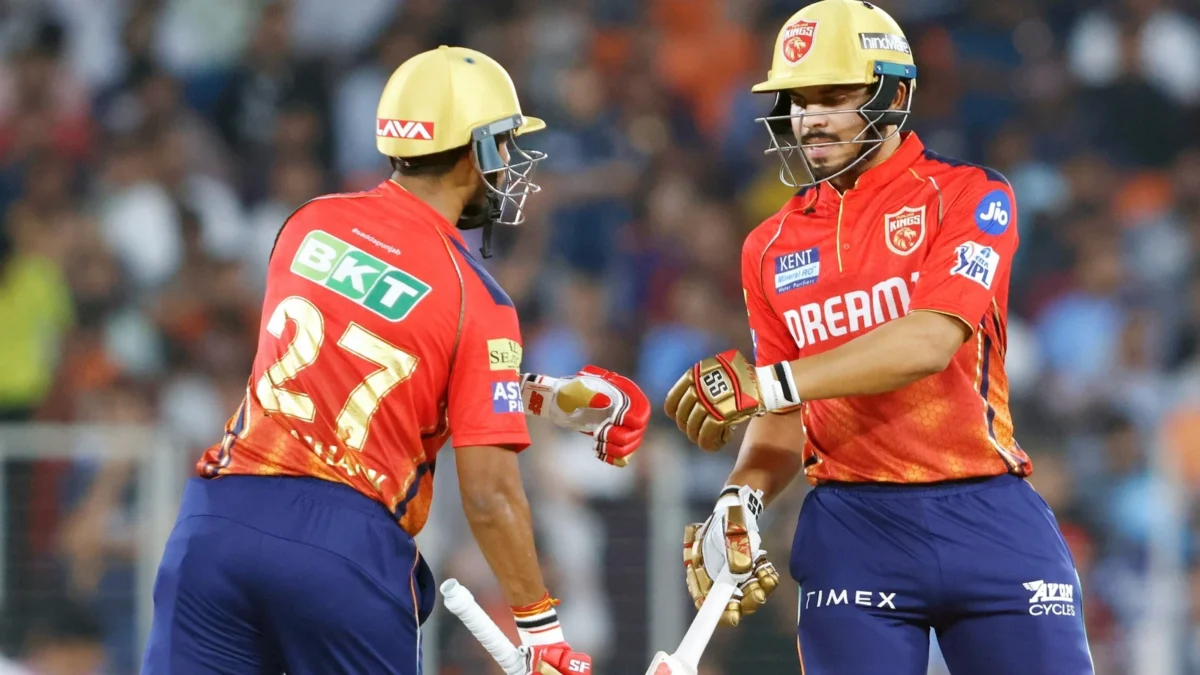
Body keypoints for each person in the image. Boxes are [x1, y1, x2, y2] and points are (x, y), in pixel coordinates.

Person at [141, 45, 650, 675]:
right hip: (342, 546)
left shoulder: (307, 223)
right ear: (477, 149)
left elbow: (361, 353)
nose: (512, 161)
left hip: (220, 520)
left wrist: (539, 395)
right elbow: (489, 494)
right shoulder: (477, 297)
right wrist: (539, 627)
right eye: (505, 143)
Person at [663, 2, 1094, 673]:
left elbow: (928, 343)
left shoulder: (971, 195)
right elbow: (783, 417)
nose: (810, 118)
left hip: (987, 509)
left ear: (893, 96)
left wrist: (768, 384)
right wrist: (740, 496)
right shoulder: (767, 246)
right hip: (853, 527)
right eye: (799, 100)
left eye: (834, 97)